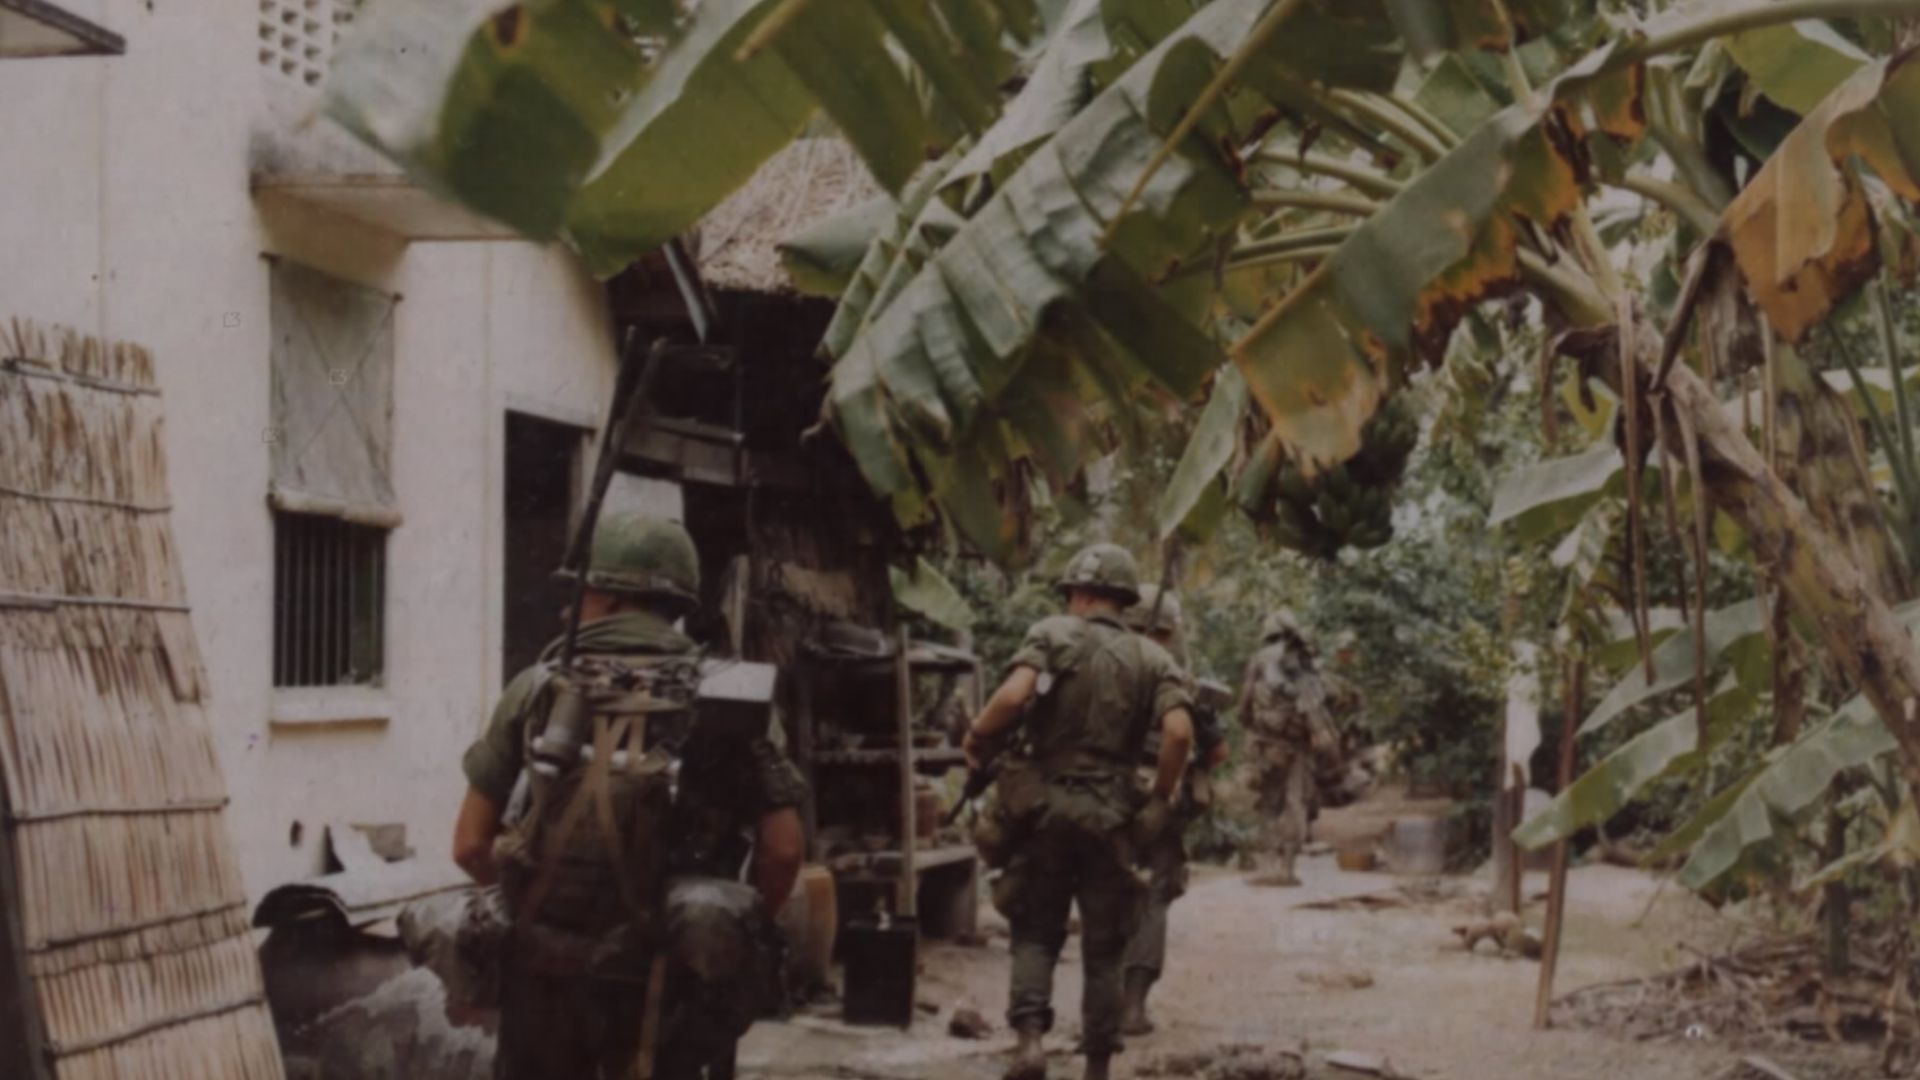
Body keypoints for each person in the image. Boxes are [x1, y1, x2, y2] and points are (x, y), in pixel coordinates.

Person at [451, 511, 807, 1080]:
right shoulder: (731, 691)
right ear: (680, 603)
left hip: (544, 980)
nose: (573, 608)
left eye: (582, 593)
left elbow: (469, 846)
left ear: (606, 596)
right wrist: (723, 933)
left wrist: (550, 900)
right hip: (669, 978)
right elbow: (785, 850)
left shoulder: (537, 686)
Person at [962, 543, 1195, 1080]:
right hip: (1111, 815)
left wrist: (977, 737)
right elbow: (1179, 732)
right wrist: (1158, 798)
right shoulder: (1153, 658)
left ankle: (1030, 1044)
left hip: (1044, 811)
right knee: (1104, 948)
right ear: (1123, 600)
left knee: (1036, 930)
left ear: (1081, 594)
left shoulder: (1051, 633)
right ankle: (1096, 1067)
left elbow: (1015, 696)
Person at [1116, 585, 1226, 1037]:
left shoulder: (1100, 668)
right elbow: (1216, 751)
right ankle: (1133, 1008)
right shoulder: (1181, 682)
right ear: (1168, 630)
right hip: (1159, 798)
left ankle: (1099, 1009)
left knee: (1101, 892)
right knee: (1154, 896)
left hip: (1103, 796)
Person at [1238, 610, 1339, 888]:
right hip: (1298, 746)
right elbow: (1322, 700)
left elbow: (1245, 703)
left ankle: (1267, 868)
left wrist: (1248, 724)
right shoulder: (1306, 660)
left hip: (1267, 743)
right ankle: (1287, 869)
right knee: (1295, 803)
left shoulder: (1258, 660)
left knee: (1269, 804)